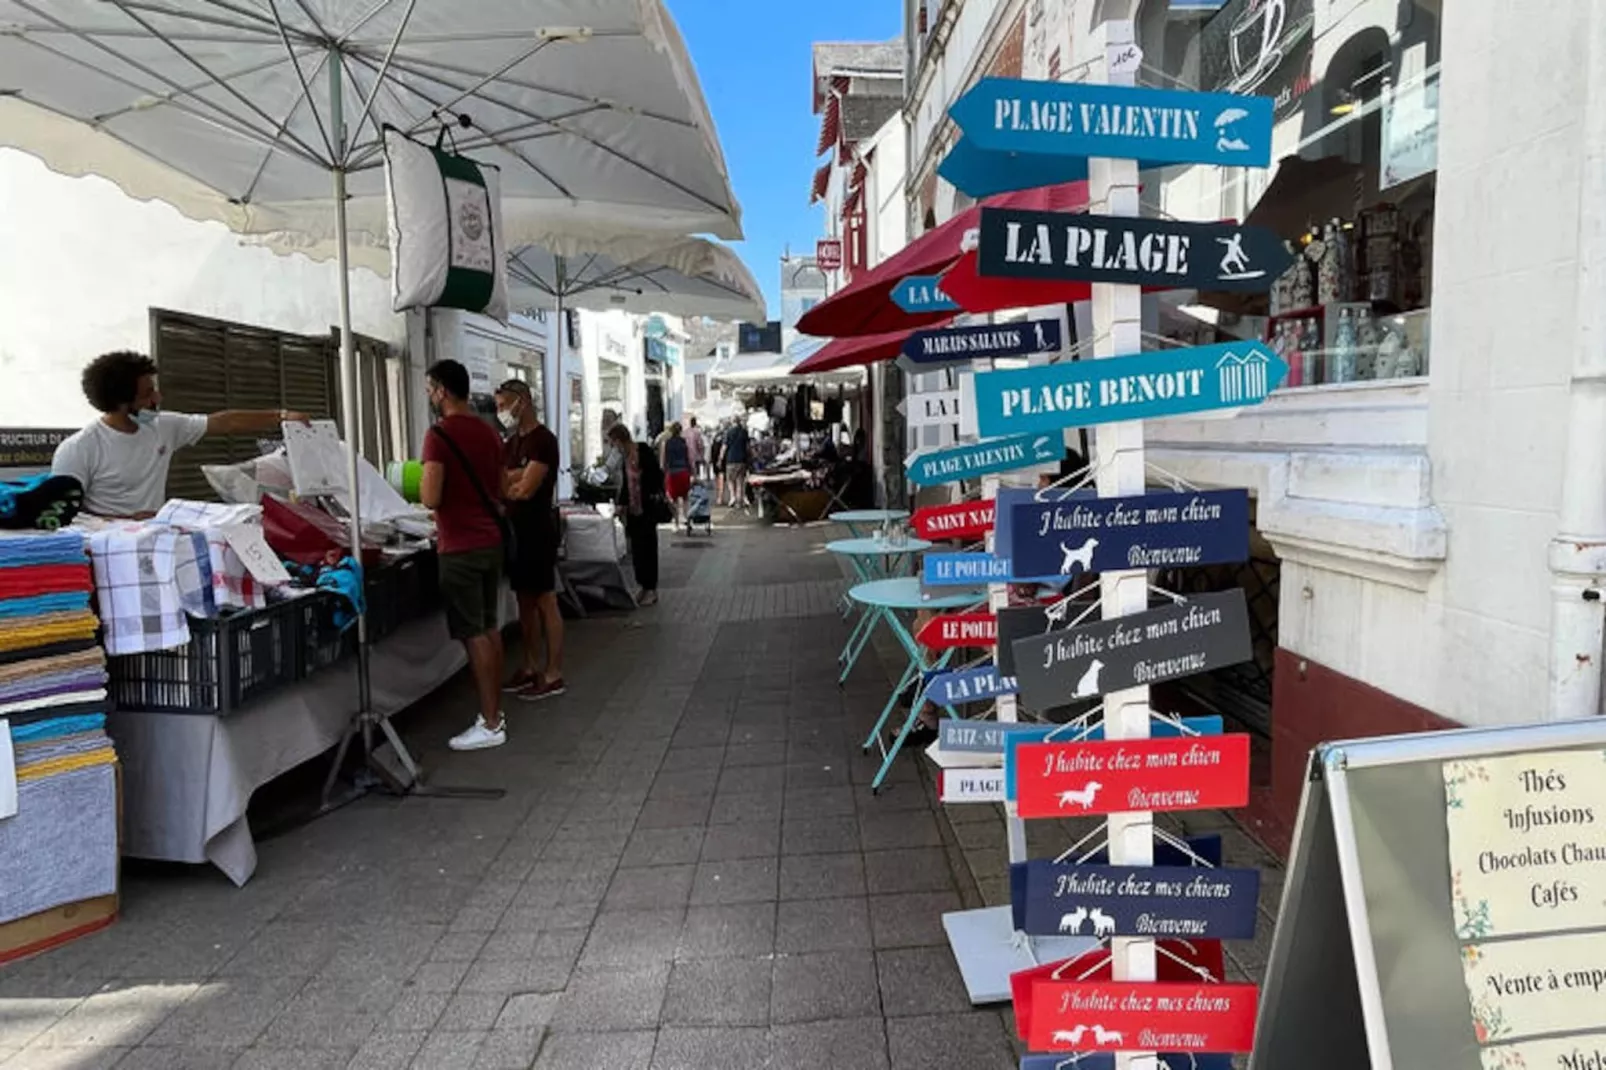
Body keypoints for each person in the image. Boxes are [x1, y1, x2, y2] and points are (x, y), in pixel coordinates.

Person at [52, 350, 309, 519]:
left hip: (156, 538)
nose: (158, 398)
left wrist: (283, 416)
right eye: (147, 394)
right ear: (121, 403)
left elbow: (224, 422)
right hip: (105, 554)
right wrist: (125, 521)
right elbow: (64, 516)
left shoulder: (164, 427)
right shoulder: (78, 449)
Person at [420, 360, 508, 751]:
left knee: (475, 634)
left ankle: (490, 722)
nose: (428, 394)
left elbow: (431, 496)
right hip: (491, 542)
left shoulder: (437, 435)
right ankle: (496, 713)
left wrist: (419, 480)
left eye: (428, 387)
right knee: (489, 627)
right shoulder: (489, 433)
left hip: (460, 546)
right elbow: (502, 486)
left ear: (441, 390)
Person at [495, 380, 565, 702]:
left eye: (504, 404)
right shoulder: (511, 444)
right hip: (517, 531)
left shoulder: (543, 441)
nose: (501, 412)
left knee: (545, 599)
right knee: (524, 602)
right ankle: (529, 664)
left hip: (538, 530)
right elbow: (502, 479)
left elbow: (525, 489)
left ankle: (553, 673)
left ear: (522, 402)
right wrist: (512, 481)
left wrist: (512, 483)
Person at [608, 423, 662, 606]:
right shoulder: (625, 457)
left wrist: (650, 492)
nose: (614, 447)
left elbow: (656, 475)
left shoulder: (643, 450)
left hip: (646, 508)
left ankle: (651, 588)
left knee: (648, 548)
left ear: (620, 439)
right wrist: (621, 504)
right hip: (633, 510)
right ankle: (642, 586)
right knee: (637, 550)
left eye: (614, 442)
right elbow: (625, 484)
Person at [660, 421, 693, 530]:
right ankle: (687, 518)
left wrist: (663, 472)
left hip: (672, 473)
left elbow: (663, 461)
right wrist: (692, 471)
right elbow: (688, 458)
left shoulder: (666, 443)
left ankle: (676, 523)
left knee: (673, 499)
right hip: (684, 472)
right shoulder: (684, 442)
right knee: (685, 498)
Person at [723, 418, 750, 510]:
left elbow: (724, 447)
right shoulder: (744, 432)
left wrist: (720, 458)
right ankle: (739, 501)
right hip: (742, 460)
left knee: (730, 479)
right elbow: (748, 447)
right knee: (740, 481)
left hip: (731, 460)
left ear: (733, 422)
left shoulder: (729, 432)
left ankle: (732, 496)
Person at [685, 416, 707, 480]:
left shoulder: (685, 432)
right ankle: (696, 484)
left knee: (689, 474)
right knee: (696, 474)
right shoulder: (697, 432)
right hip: (696, 456)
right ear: (695, 423)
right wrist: (702, 455)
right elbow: (700, 445)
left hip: (687, 456)